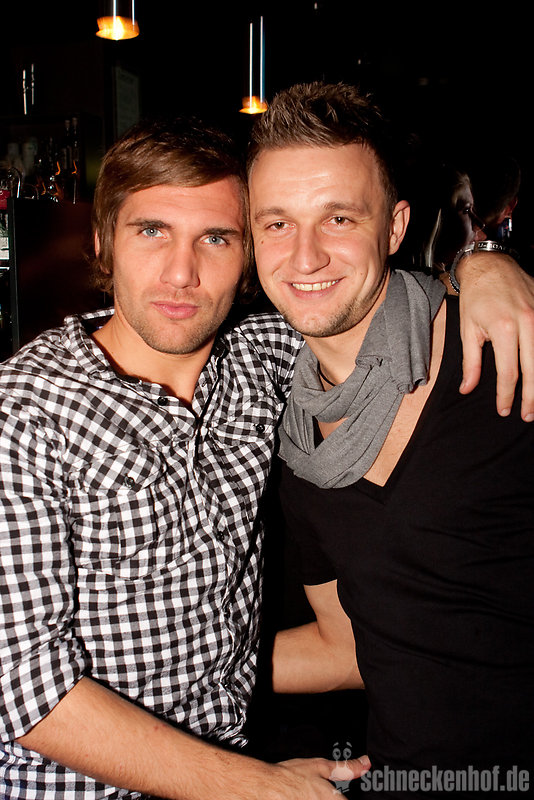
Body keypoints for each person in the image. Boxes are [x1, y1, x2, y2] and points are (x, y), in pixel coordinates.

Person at [0, 112, 533, 800]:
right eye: (152, 231)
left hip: (233, 758)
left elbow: (355, 295)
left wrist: (482, 265)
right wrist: (258, 787)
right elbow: (24, 688)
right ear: (103, 242)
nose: (182, 273)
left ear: (247, 254)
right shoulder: (25, 409)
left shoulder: (262, 359)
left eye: (216, 238)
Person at [246, 82, 534, 796]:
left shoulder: (506, 352)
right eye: (277, 224)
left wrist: (484, 259)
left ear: (396, 226)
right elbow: (343, 648)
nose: (305, 257)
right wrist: (181, 671)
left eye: (338, 218)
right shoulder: (297, 440)